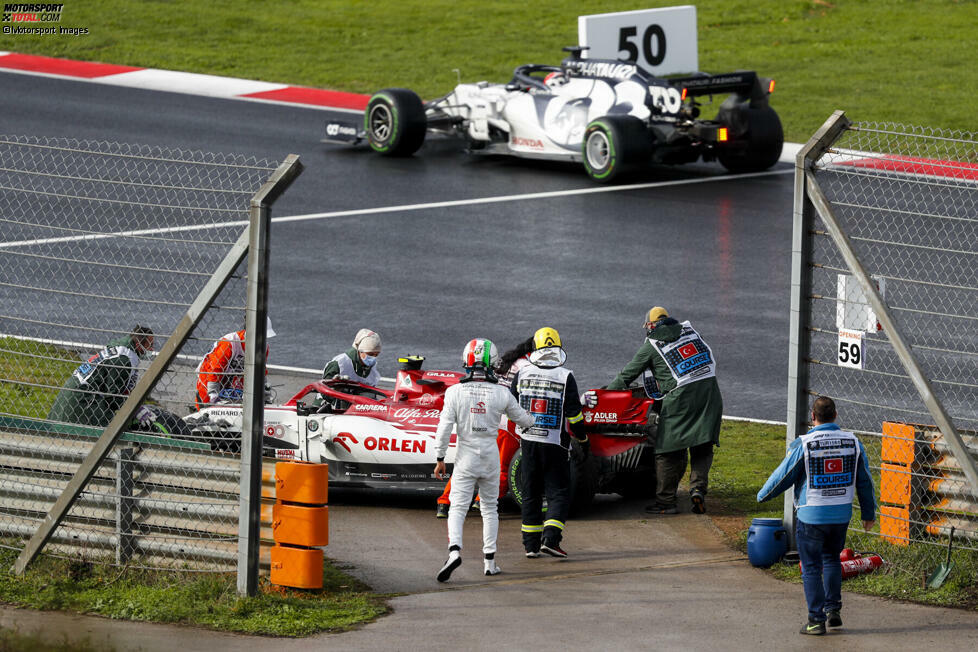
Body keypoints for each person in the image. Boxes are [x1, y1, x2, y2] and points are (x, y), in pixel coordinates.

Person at [757, 396, 876, 636]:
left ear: (813, 417)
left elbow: (784, 476)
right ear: (836, 414)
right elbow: (865, 481)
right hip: (841, 514)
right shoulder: (854, 442)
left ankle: (815, 620)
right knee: (832, 559)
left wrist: (762, 495)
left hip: (811, 516)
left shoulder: (805, 443)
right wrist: (868, 513)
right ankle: (833, 611)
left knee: (811, 567)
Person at [433, 338, 535, 582]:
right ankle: (489, 562)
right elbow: (525, 421)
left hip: (465, 457)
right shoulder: (501, 393)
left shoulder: (454, 392)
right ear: (492, 363)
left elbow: (444, 428)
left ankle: (454, 551)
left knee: (457, 508)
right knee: (490, 509)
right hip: (490, 457)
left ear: (466, 362)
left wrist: (440, 457)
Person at [606, 307, 722, 515]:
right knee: (702, 445)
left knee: (668, 450)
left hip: (680, 398)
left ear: (650, 325)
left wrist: (605, 394)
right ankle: (698, 489)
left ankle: (666, 501)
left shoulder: (651, 345)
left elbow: (627, 375)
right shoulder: (691, 332)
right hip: (710, 394)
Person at [511, 327, 588, 558]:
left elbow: (511, 405)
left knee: (530, 493)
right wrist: (582, 439)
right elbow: (574, 415)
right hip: (556, 444)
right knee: (558, 492)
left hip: (528, 443)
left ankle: (531, 546)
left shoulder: (522, 374)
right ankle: (551, 539)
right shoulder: (565, 376)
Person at [48, 325, 156, 428]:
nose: (151, 349)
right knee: (109, 433)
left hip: (76, 393)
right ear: (138, 344)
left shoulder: (119, 351)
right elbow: (113, 398)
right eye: (150, 346)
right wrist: (135, 409)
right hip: (82, 398)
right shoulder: (124, 360)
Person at [195, 317, 275, 409]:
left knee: (239, 407)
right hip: (209, 376)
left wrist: (264, 390)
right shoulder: (230, 342)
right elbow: (215, 369)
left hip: (234, 377)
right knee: (206, 409)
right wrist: (213, 393)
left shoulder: (263, 348)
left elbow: (260, 371)